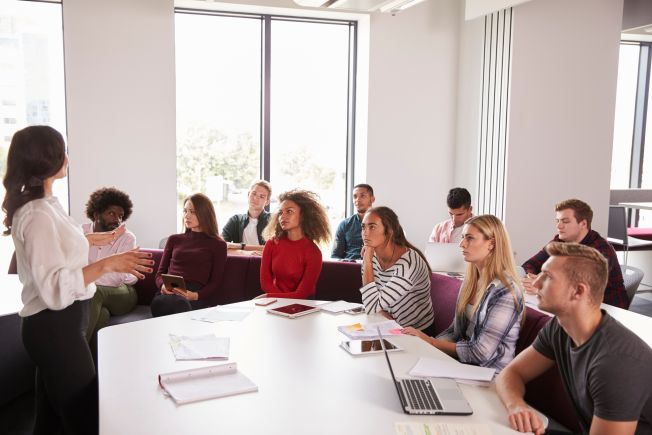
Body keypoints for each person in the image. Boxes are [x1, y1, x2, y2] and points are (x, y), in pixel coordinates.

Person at [2, 125, 153, 435]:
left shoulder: (46, 207)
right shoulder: (38, 215)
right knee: (86, 417)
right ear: (47, 159)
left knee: (51, 422)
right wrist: (109, 262)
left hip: (57, 326)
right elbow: (54, 286)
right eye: (62, 150)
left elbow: (62, 246)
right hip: (55, 327)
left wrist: (97, 240)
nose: (67, 158)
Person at [496, 242, 652, 435]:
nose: (536, 283)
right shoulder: (560, 327)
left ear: (578, 291)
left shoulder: (617, 361)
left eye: (548, 277)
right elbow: (511, 373)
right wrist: (517, 406)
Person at [403, 214, 524, 372]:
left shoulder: (506, 291)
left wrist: (431, 343)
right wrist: (427, 349)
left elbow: (481, 353)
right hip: (464, 368)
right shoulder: (471, 281)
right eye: (462, 237)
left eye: (470, 238)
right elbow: (455, 331)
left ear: (491, 244)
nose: (461, 244)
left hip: (489, 377)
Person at [521, 198, 628, 308]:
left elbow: (578, 290)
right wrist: (531, 279)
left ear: (583, 224)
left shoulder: (600, 250)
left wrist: (541, 286)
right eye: (557, 221)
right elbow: (530, 264)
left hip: (607, 310)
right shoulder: (559, 240)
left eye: (565, 221)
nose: (559, 226)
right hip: (576, 308)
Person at [151, 193, 227, 317]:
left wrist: (196, 295)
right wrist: (163, 285)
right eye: (185, 211)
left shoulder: (218, 244)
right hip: (169, 292)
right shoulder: (174, 239)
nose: (187, 215)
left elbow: (215, 282)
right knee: (167, 303)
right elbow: (159, 274)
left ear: (204, 214)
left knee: (180, 305)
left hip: (194, 294)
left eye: (193, 212)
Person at [360, 206, 434, 331]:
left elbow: (371, 306)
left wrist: (367, 259)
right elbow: (371, 303)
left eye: (372, 227)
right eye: (363, 227)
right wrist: (381, 313)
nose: (365, 233)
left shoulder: (408, 264)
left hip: (417, 333)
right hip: (387, 325)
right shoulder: (371, 256)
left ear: (389, 231)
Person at [83, 187, 138, 343]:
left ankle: (71, 354)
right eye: (111, 213)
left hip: (124, 292)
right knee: (102, 315)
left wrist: (86, 275)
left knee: (93, 291)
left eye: (121, 216)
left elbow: (116, 279)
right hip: (91, 294)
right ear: (96, 214)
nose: (117, 220)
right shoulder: (80, 233)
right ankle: (88, 361)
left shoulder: (127, 238)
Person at [260, 189, 331, 299]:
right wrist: (274, 299)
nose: (282, 216)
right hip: (274, 303)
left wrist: (268, 297)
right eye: (280, 212)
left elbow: (302, 294)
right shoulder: (272, 244)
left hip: (302, 306)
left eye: (289, 211)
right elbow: (265, 283)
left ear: (303, 216)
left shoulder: (313, 252)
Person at [221, 180, 272, 252]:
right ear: (248, 194)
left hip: (263, 262)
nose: (255, 198)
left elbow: (273, 248)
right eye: (254, 193)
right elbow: (221, 243)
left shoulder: (272, 220)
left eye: (261, 196)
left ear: (267, 202)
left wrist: (240, 246)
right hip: (241, 261)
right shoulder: (235, 220)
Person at [331, 183, 375, 260]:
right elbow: (335, 255)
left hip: (374, 268)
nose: (357, 200)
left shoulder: (383, 223)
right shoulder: (344, 225)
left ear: (372, 199)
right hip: (350, 268)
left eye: (362, 196)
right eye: (355, 196)